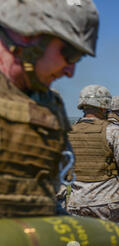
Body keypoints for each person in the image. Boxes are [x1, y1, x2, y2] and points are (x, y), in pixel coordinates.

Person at [0, 0, 99, 217]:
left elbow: (45, 200)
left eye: (78, 59)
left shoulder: (49, 105)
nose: (71, 72)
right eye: (70, 54)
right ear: (28, 35)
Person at [66, 85, 119, 226]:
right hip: (111, 206)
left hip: (77, 205)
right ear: (104, 106)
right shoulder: (114, 131)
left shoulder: (69, 133)